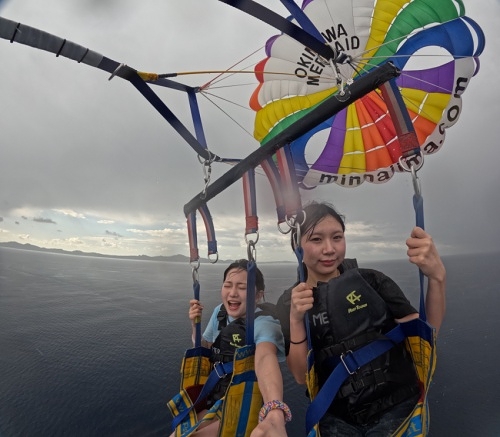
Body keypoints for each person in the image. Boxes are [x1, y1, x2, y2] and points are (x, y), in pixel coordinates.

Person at [275, 201, 446, 436]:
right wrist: (296, 320)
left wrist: (437, 279)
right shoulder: (289, 302)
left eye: (337, 237)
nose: (329, 249)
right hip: (337, 419)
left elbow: (424, 334)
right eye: (316, 239)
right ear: (297, 246)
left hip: (398, 407)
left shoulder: (371, 281)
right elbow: (300, 375)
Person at [179, 259, 289, 437]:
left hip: (245, 404)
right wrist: (194, 325)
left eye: (242, 287)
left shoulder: (265, 324)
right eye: (228, 285)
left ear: (258, 295)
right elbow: (206, 348)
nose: (232, 293)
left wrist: (275, 409)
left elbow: (265, 357)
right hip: (218, 397)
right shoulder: (220, 313)